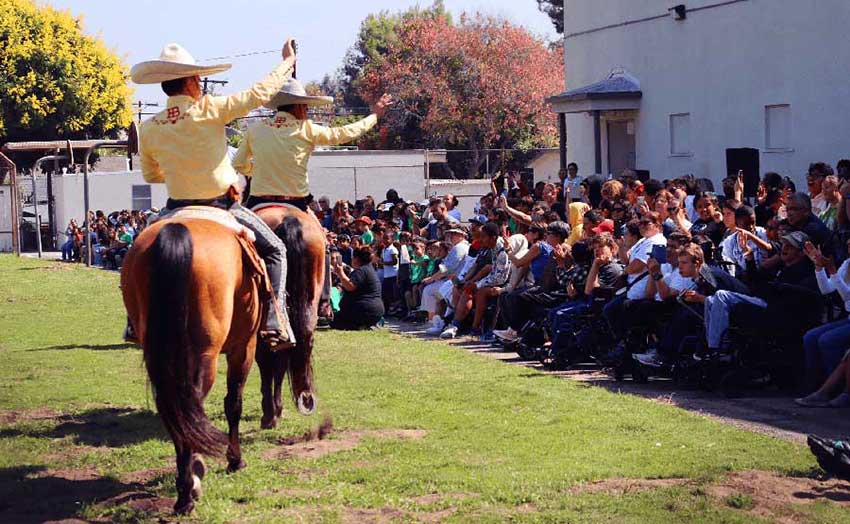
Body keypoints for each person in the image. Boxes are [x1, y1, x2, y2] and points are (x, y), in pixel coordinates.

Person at [130, 39, 298, 348]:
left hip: (175, 208)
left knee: (138, 252)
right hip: (222, 208)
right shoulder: (211, 108)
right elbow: (259, 94)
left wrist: (179, 168)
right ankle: (275, 319)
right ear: (193, 81)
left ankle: (133, 321)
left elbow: (150, 174)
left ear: (165, 87)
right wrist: (287, 62)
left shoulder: (150, 126)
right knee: (276, 250)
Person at [234, 80, 391, 211]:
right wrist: (374, 116)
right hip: (296, 202)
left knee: (242, 240)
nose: (306, 110)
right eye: (305, 107)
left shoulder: (255, 129)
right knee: (321, 239)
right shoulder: (307, 129)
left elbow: (239, 164)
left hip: (259, 201)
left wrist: (259, 169)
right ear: (299, 106)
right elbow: (343, 133)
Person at [331, 246, 384, 330]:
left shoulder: (361, 271)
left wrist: (340, 272)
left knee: (334, 321)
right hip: (373, 311)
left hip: (364, 310)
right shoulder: (369, 269)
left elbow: (350, 286)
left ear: (356, 259)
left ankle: (361, 326)